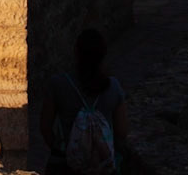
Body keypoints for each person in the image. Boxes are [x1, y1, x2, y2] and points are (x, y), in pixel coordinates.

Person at [40, 27, 129, 174]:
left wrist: (63, 151)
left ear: (76, 52)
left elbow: (45, 128)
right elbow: (122, 132)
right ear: (103, 55)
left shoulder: (58, 84)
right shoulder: (114, 87)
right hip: (101, 167)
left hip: (64, 165)